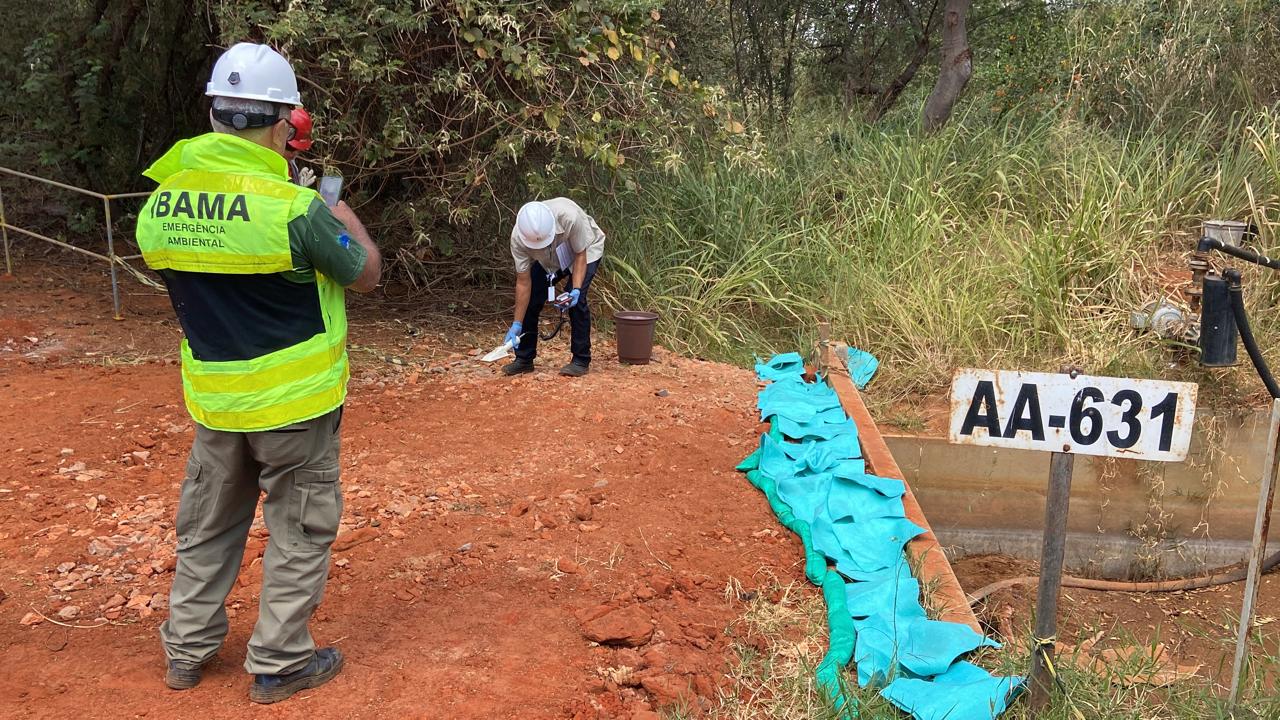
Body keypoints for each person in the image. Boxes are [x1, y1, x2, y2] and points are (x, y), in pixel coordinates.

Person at [134, 42, 381, 704]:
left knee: (209, 528)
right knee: (298, 532)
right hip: (296, 408)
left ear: (215, 114)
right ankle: (278, 661)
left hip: (216, 401)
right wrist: (328, 203)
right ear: (283, 124)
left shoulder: (159, 205)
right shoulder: (295, 210)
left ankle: (186, 652)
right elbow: (366, 273)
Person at [502, 198, 605, 377]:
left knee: (575, 300)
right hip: (550, 259)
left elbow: (580, 254)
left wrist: (576, 290)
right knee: (531, 297)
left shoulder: (569, 217)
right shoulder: (518, 238)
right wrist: (517, 323)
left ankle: (581, 359)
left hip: (586, 249)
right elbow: (523, 282)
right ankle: (524, 358)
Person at [283, 106, 316, 187]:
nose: (294, 154)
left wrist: (297, 185)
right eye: (290, 148)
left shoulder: (291, 166)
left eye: (299, 149)